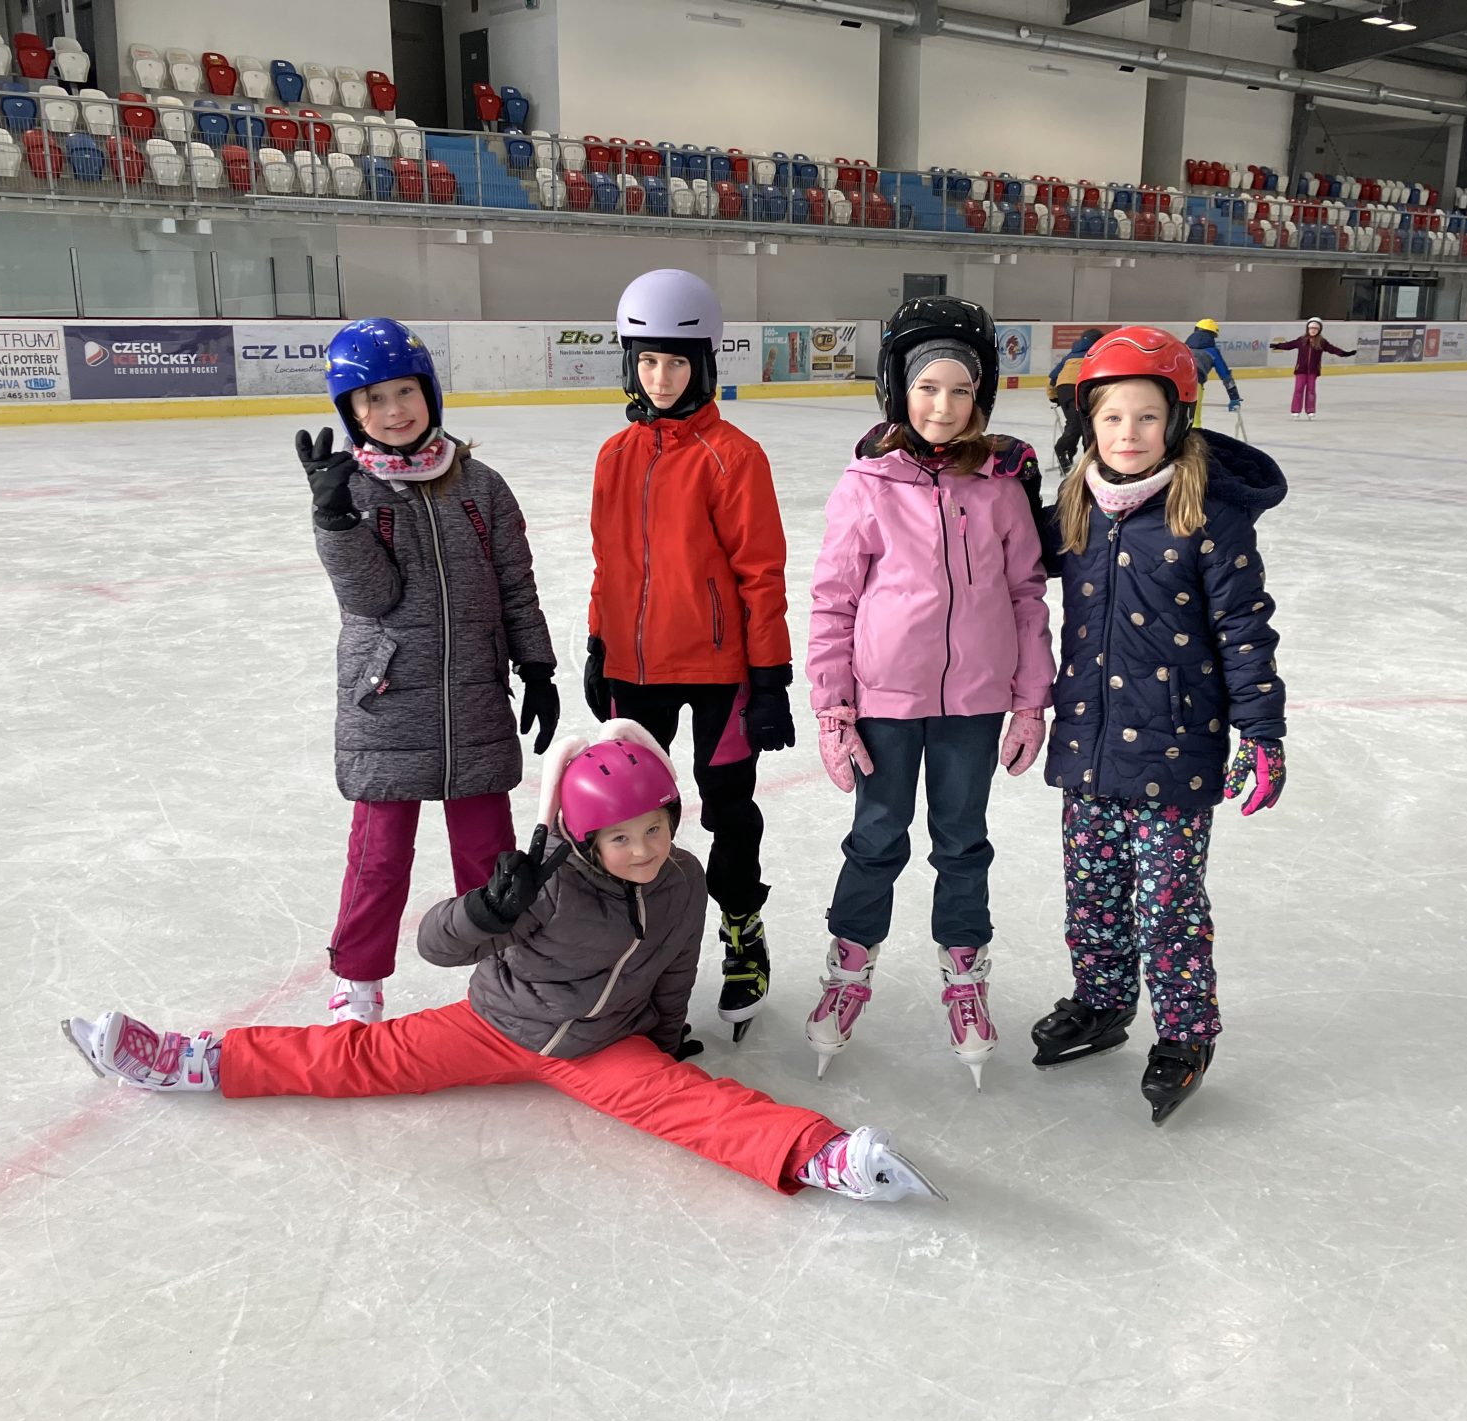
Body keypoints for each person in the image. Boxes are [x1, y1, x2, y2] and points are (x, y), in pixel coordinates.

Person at [61, 723, 946, 1205]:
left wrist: (667, 1033)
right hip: (495, 1024)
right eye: (621, 838)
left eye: (654, 829)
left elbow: (677, 965)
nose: (642, 849)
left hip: (603, 1046)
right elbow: (436, 946)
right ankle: (193, 1060)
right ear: (584, 838)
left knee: (695, 1106)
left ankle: (823, 1157)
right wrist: (487, 909)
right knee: (358, 1059)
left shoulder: (682, 881)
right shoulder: (544, 886)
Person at [1029, 326, 1288, 1126]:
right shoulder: (1076, 504)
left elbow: (1244, 628)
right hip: (1089, 743)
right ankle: (1103, 1000)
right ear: (1088, 424)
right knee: (1092, 893)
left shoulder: (1205, 513)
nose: (1129, 433)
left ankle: (1184, 1033)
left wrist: (1262, 732)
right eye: (1112, 417)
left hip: (1176, 750)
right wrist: (996, 478)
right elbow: (1001, 554)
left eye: (1147, 416)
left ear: (1177, 420)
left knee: (1168, 903)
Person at [805, 296, 1057, 1090]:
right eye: (927, 388)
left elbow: (1026, 595)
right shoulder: (867, 484)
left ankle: (965, 976)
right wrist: (833, 709)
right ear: (899, 391)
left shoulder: (1000, 487)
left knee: (963, 842)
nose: (943, 406)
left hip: (974, 706)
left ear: (980, 398)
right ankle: (848, 972)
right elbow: (833, 602)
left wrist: (1029, 700)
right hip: (884, 703)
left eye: (960, 390)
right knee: (876, 839)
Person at [295, 317, 558, 1025]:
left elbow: (516, 585)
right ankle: (358, 983)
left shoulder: (483, 487)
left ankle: (504, 968)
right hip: (387, 704)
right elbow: (372, 598)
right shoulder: (355, 490)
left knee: (488, 854)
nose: (394, 410)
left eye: (405, 392)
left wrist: (536, 665)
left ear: (430, 393)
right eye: (373, 399)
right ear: (352, 413)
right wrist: (335, 522)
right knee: (379, 856)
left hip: (475, 697)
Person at [582, 269, 795, 1044]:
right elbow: (607, 564)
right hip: (633, 672)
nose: (661, 377)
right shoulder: (615, 454)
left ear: (702, 364)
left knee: (729, 809)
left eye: (676, 361)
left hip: (719, 675)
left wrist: (769, 679)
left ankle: (742, 932)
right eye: (647, 360)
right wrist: (598, 643)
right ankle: (627, 949)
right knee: (625, 820)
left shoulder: (733, 456)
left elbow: (761, 575)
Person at [1269, 317, 1356, 419]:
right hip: (1301, 369)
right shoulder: (1301, 340)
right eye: (1311, 328)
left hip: (1313, 370)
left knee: (1311, 390)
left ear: (1319, 330)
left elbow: (1333, 349)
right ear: (1307, 329)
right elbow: (1289, 345)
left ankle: (1310, 410)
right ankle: (1295, 410)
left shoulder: (1322, 342)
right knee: (1298, 389)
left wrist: (1344, 353)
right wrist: (1278, 346)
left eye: (1315, 328)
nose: (1313, 330)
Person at [1046, 327, 1105, 472]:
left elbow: (1053, 377)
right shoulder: (1097, 354)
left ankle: (1073, 455)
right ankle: (1066, 450)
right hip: (1082, 388)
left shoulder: (1070, 355)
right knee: (1086, 425)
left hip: (1065, 389)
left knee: (1077, 424)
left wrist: (1053, 396)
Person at [1184, 318, 1243, 427]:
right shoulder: (1212, 352)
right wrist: (1234, 397)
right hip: (1194, 384)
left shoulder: (1183, 348)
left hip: (1173, 383)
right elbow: (1225, 375)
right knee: (1193, 423)